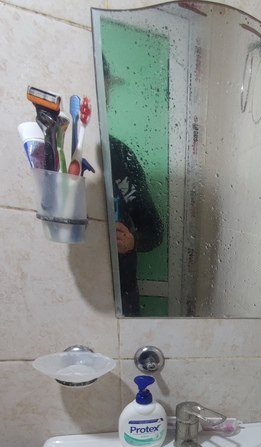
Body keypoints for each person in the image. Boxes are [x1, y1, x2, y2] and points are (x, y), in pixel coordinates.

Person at [103, 56, 164, 315]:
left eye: (105, 93)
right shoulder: (64, 152)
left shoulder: (120, 155)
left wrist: (132, 241)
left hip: (123, 295)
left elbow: (155, 230)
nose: (104, 101)